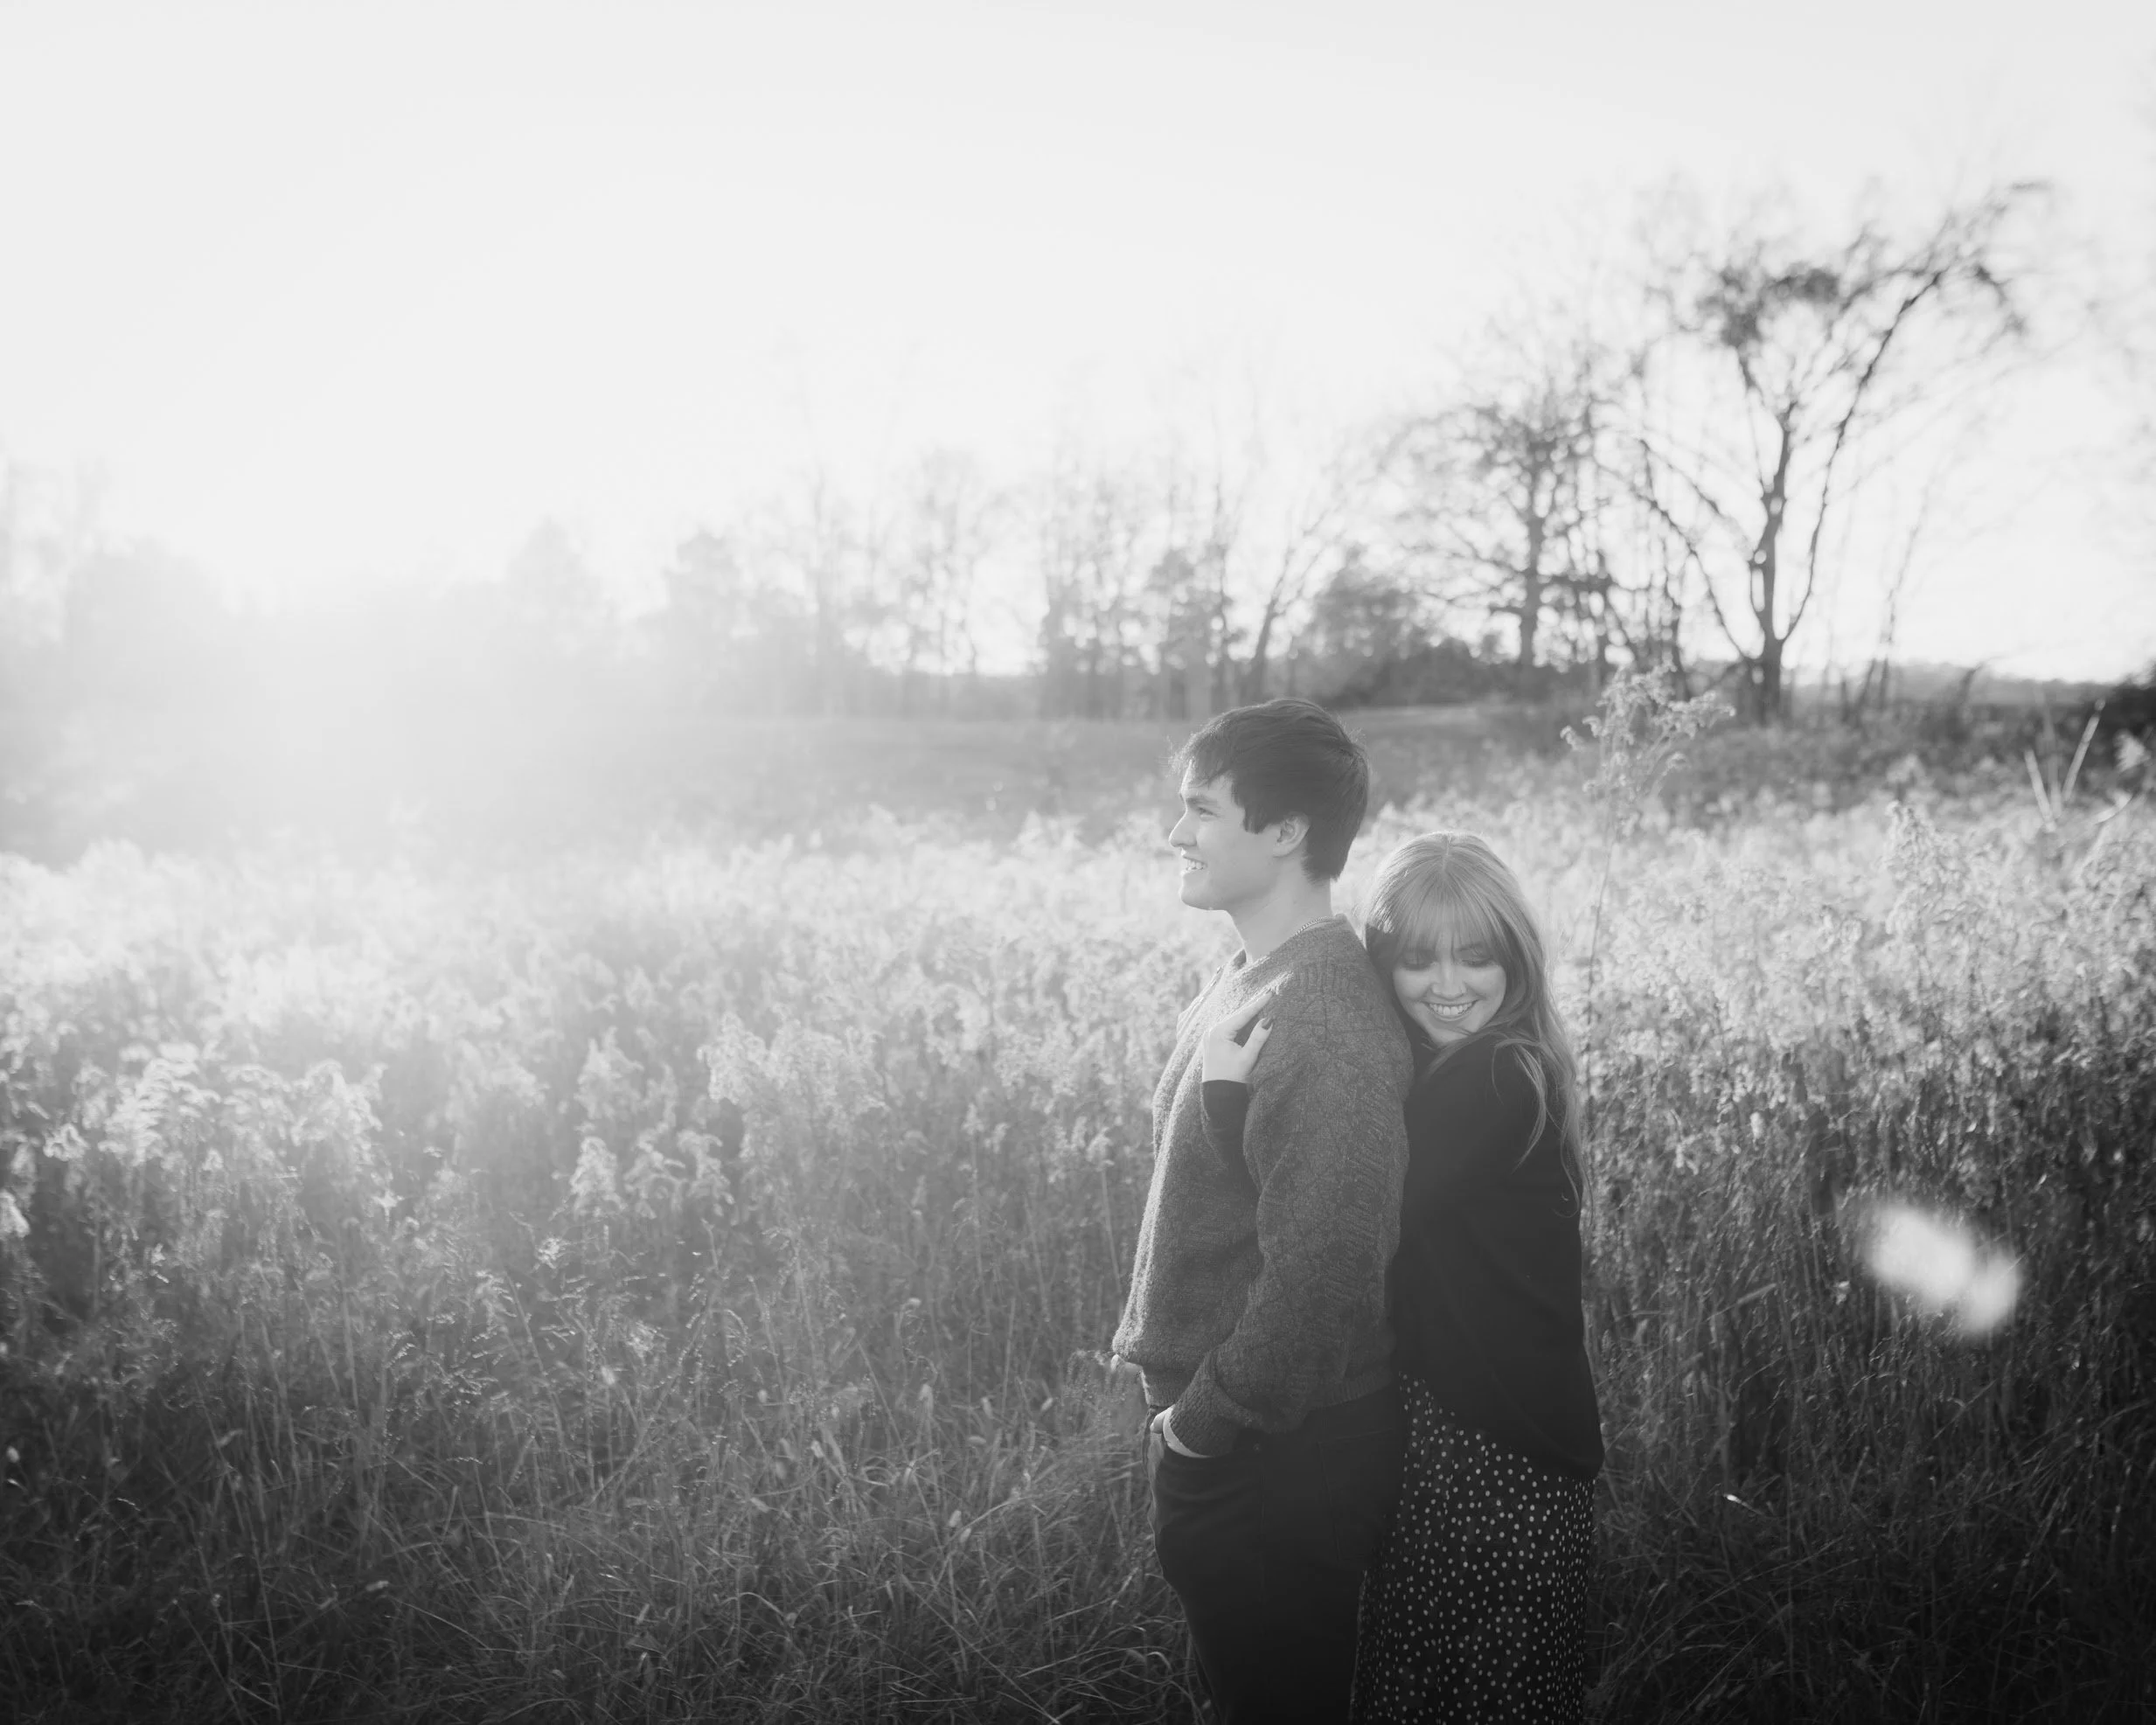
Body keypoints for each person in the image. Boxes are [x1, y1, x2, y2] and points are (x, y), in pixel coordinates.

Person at [1202, 830, 1603, 1723]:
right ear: (1383, 963)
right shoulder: (1463, 1067)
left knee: (1472, 1691)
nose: (1449, 983)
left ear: (1517, 960)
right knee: (1429, 1680)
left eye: (1476, 956)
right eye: (1417, 959)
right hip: (1465, 1434)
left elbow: (1344, 1209)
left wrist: (1228, 1106)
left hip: (1496, 1455)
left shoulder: (1498, 1076)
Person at [1112, 698, 1415, 1725]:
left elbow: (1327, 1273)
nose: (1175, 833)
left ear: (1286, 833)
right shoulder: (1255, 978)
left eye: (1201, 809)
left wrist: (1199, 1430)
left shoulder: (1322, 1023)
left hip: (1276, 1455)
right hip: (1244, 1441)